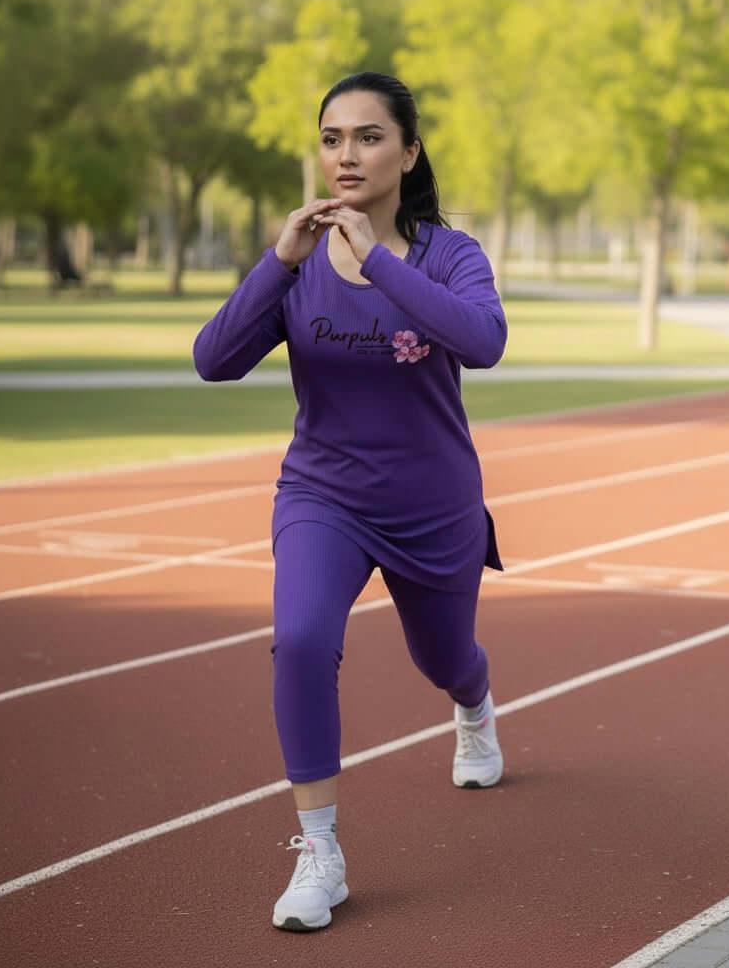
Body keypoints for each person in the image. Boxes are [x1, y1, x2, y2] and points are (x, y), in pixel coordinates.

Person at [193, 72, 508, 932]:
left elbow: (483, 342)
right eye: (332, 138)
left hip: (432, 502)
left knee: (443, 658)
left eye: (368, 137)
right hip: (323, 492)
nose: (346, 155)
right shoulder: (296, 265)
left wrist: (375, 257)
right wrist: (279, 262)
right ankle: (320, 851)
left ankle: (474, 705)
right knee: (299, 640)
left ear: (408, 152)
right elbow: (213, 361)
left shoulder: (450, 254)